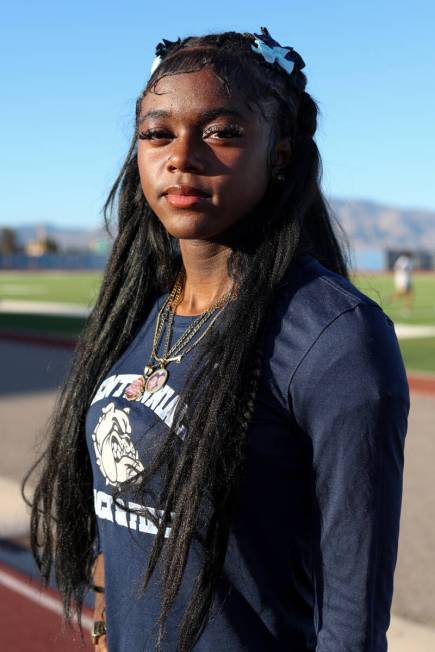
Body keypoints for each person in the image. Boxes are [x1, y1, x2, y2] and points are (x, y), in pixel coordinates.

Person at [25, 28, 410, 651]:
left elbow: (353, 619)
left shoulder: (334, 338)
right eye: (158, 133)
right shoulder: (140, 308)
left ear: (280, 153)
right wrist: (103, 624)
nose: (182, 156)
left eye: (222, 132)